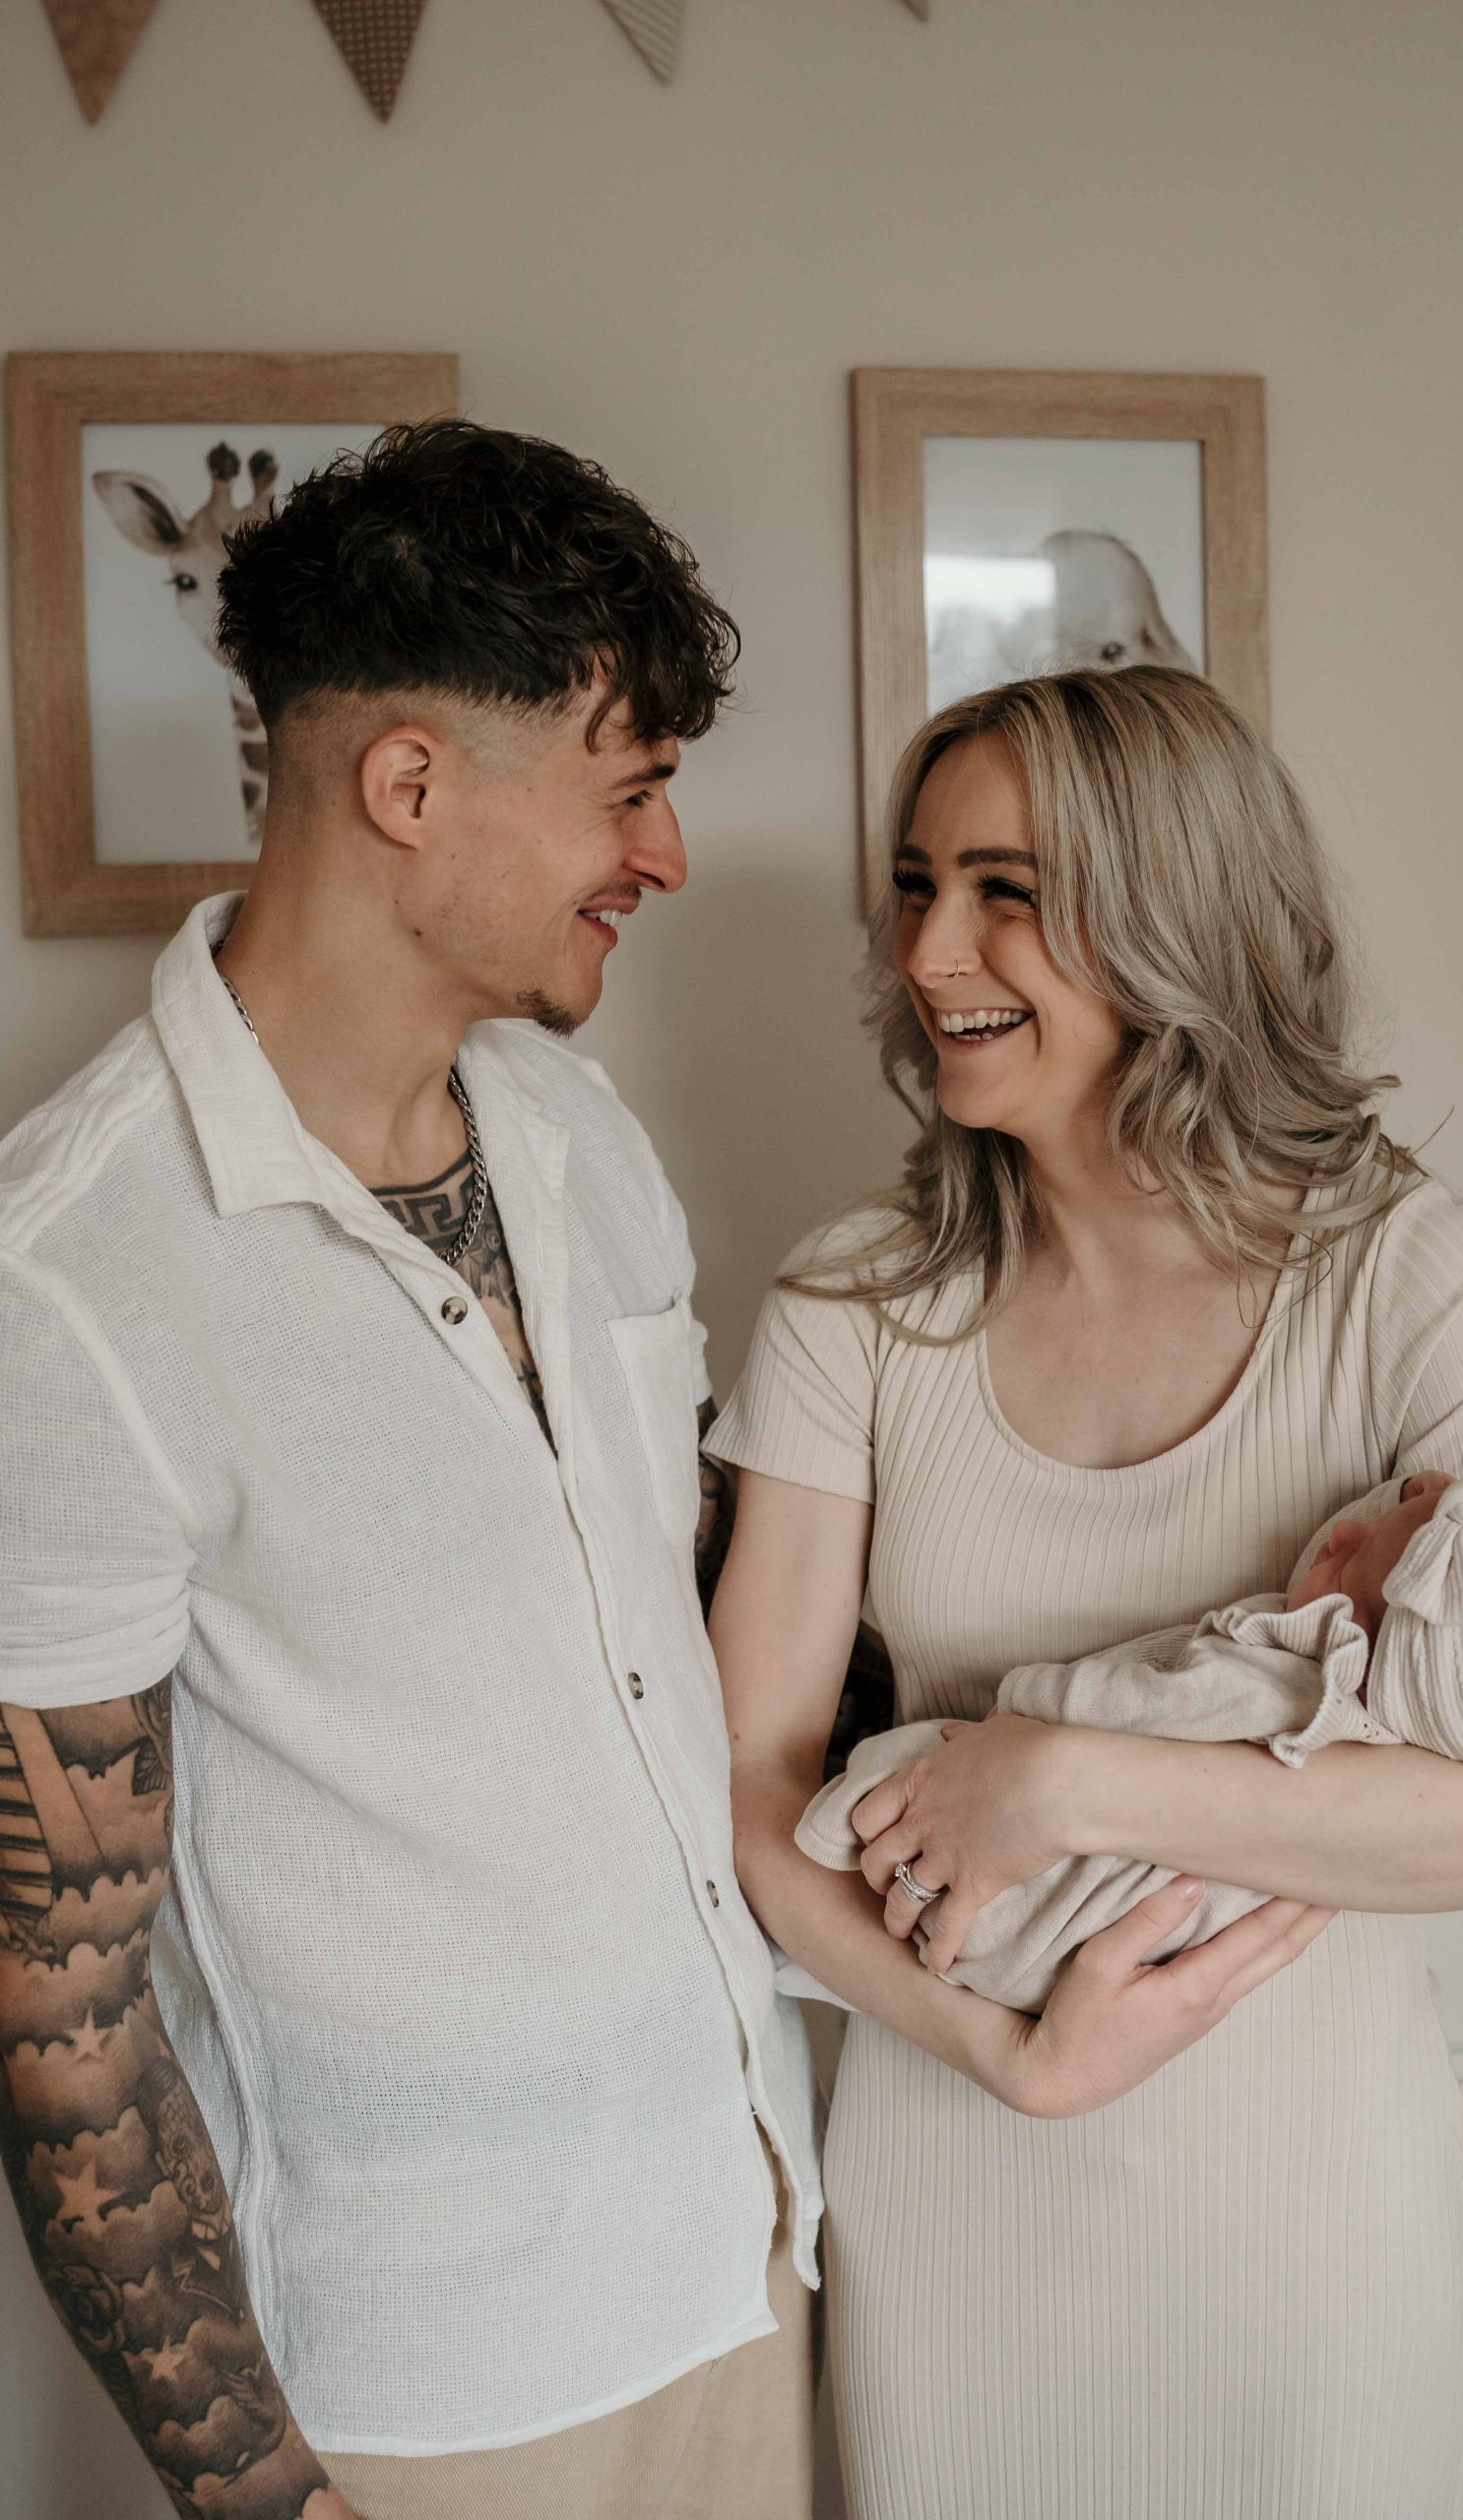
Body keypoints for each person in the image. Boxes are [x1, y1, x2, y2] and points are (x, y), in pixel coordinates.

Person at [705, 666, 1463, 2520]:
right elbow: (745, 1792)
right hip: (952, 2197)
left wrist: (1066, 1779)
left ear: (1174, 921)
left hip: (1307, 2237)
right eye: (917, 885)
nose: (928, 953)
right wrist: (1011, 2059)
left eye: (1005, 891)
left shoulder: (1402, 1279)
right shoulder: (848, 1303)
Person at [0, 417, 826, 2520]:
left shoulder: (580, 1135)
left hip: (740, 2255)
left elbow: (650, 1614)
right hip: (423, 2392)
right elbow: (65, 2022)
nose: (664, 854)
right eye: (627, 788)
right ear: (408, 786)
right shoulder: (69, 1287)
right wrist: (267, 2500)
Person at [796, 1465, 1463, 2010]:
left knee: (898, 1768)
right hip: (1087, 1962)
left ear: (1349, 1640)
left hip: (1023, 1914)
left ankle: (823, 1842)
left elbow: (1121, 1705)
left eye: (1348, 1559)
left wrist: (1022, 1711)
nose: (1341, 1533)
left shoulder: (1258, 1684)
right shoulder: (1395, 1755)